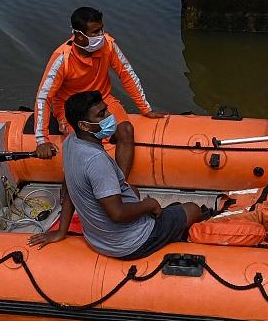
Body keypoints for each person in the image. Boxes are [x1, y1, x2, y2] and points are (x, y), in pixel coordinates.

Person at [29, 91, 201, 260]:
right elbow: (117, 214)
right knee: (193, 209)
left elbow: (69, 190)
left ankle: (166, 217)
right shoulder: (97, 161)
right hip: (131, 243)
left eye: (107, 110)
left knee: (132, 190)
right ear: (84, 125)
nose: (110, 116)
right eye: (101, 114)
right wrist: (150, 204)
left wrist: (61, 231)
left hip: (97, 240)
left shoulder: (70, 143)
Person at [33, 6, 166, 175]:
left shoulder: (108, 45)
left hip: (102, 100)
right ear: (79, 36)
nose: (101, 35)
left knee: (126, 130)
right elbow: (44, 98)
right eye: (95, 32)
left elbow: (127, 74)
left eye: (101, 29)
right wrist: (41, 140)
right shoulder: (62, 59)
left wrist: (145, 108)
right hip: (72, 107)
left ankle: (120, 183)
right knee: (84, 145)